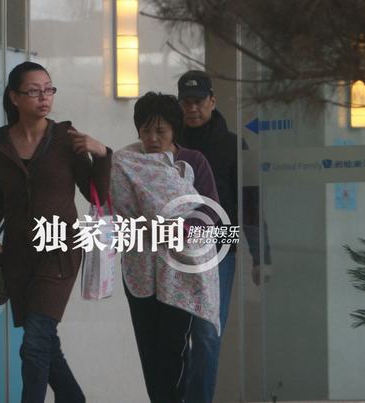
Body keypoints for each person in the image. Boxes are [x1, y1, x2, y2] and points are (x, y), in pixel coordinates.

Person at [0, 61, 111, 403]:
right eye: (34, 91)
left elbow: (96, 193)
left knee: (34, 344)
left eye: (48, 89)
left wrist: (102, 155)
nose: (44, 97)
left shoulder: (66, 138)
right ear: (14, 97)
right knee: (43, 343)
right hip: (18, 257)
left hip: (60, 251)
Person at [110, 92, 221, 403]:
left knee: (173, 346)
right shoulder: (127, 162)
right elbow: (120, 207)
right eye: (146, 131)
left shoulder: (193, 161)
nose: (153, 138)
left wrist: (181, 230)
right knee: (149, 348)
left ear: (174, 130)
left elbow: (210, 209)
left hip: (181, 268)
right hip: (141, 267)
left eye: (160, 130)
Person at [176, 70, 270, 403]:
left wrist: (261, 255)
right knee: (177, 335)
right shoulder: (171, 143)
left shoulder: (233, 144)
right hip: (176, 248)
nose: (192, 108)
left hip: (221, 244)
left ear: (212, 101)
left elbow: (251, 202)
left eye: (199, 101)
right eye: (186, 102)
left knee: (207, 333)